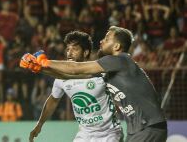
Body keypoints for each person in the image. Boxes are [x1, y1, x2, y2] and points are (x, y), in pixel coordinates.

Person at [22, 26, 167, 142]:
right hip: (137, 129)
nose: (101, 41)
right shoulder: (111, 68)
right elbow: (71, 75)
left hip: (146, 126)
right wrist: (39, 68)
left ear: (116, 46)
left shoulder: (119, 60)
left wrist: (45, 62)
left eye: (107, 38)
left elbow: (75, 69)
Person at [22, 31, 122, 142]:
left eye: (75, 49)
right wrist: (39, 124)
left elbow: (76, 72)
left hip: (109, 132)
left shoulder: (99, 69)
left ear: (85, 52)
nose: (69, 53)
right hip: (85, 133)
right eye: (68, 49)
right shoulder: (61, 78)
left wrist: (43, 66)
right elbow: (53, 100)